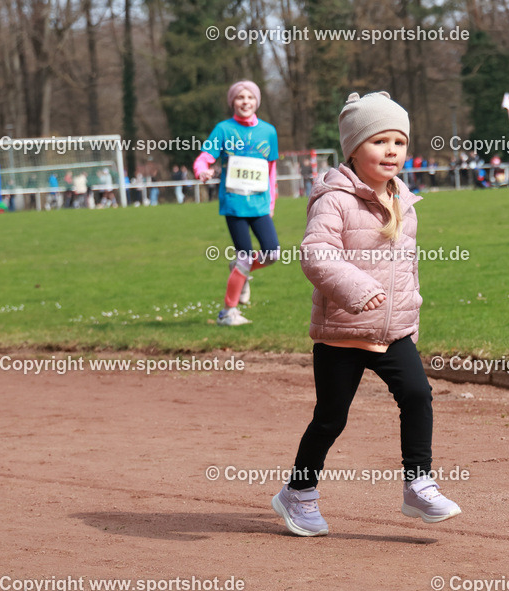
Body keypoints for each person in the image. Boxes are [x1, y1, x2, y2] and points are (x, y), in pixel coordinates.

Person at [271, 92, 461, 537]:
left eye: (399, 140)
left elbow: (406, 270)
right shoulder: (333, 199)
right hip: (343, 332)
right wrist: (356, 288)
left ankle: (417, 483)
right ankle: (297, 494)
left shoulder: (404, 201)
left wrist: (408, 313)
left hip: (392, 332)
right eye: (379, 141)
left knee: (417, 396)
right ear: (353, 148)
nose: (391, 150)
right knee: (330, 418)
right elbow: (316, 255)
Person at [193, 80, 280, 326]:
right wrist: (202, 171)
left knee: (273, 253)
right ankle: (227, 313)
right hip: (234, 204)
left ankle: (239, 270)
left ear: (256, 102)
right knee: (244, 256)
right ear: (233, 102)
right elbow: (204, 158)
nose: (245, 102)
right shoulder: (223, 129)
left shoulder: (269, 131)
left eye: (250, 97)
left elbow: (271, 169)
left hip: (260, 204)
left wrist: (272, 202)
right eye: (240, 97)